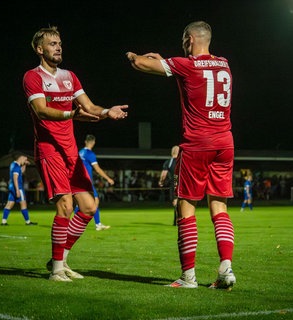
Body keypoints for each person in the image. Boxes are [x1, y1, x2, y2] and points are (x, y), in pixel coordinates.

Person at [126, 21, 236, 290]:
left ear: (189, 39)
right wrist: (166, 62)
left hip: (198, 143)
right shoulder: (224, 64)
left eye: (183, 41)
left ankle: (188, 277)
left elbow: (139, 64)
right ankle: (226, 269)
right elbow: (199, 74)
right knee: (219, 207)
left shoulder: (186, 64)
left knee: (185, 207)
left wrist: (133, 56)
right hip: (225, 142)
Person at [23, 26, 128, 282]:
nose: (58, 47)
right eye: (52, 44)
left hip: (71, 152)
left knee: (89, 207)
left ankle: (61, 259)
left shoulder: (70, 76)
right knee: (65, 205)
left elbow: (89, 106)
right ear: (40, 49)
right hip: (49, 150)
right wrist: (72, 114)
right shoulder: (32, 77)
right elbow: (41, 111)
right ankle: (57, 270)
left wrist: (106, 112)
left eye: (60, 43)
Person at [75, 134, 113, 231]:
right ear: (94, 142)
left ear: (85, 141)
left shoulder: (80, 153)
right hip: (86, 181)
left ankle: (94, 224)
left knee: (80, 203)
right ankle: (97, 224)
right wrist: (108, 178)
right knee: (95, 201)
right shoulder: (90, 154)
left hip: (79, 180)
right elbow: (97, 169)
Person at [1, 153, 37, 226]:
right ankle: (28, 222)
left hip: (12, 187)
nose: (25, 160)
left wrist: (24, 165)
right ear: (21, 158)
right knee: (23, 204)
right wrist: (17, 190)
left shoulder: (13, 165)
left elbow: (21, 172)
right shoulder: (16, 166)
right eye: (25, 159)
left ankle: (3, 221)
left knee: (9, 204)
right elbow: (15, 178)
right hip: (18, 187)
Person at [159, 145, 179, 226]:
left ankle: (176, 220)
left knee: (175, 202)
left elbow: (164, 175)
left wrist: (161, 182)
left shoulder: (169, 162)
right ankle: (179, 220)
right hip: (183, 183)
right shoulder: (182, 161)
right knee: (182, 202)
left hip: (174, 183)